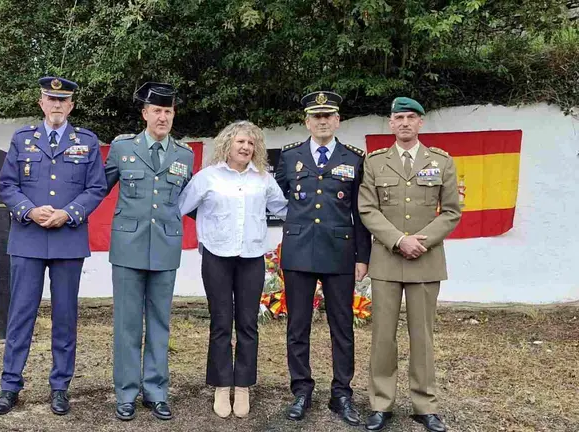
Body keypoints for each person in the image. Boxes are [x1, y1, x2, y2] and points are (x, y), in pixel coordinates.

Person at [0, 77, 107, 416]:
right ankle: (10, 386)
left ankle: (60, 387)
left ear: (71, 106)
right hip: (27, 238)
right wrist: (28, 209)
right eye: (50, 99)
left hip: (67, 240)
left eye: (62, 100)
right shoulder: (23, 139)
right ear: (41, 103)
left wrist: (69, 213)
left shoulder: (85, 141)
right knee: (20, 316)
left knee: (65, 318)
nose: (56, 105)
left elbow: (96, 188)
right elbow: (7, 185)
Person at [358, 97, 461, 432]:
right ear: (390, 123)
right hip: (387, 259)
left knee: (423, 336)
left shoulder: (441, 161)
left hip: (426, 260)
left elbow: (451, 211)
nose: (404, 123)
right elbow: (367, 209)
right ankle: (380, 403)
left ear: (420, 123)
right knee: (383, 336)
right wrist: (400, 240)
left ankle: (425, 405)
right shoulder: (375, 162)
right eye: (398, 117)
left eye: (410, 117)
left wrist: (421, 241)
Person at [178, 121, 287, 418]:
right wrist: (208, 227)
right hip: (216, 256)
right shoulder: (207, 177)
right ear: (227, 144)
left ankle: (243, 386)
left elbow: (284, 208)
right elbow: (183, 205)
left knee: (248, 324)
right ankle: (221, 385)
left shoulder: (263, 179)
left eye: (251, 144)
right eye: (240, 142)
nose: (245, 147)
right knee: (222, 323)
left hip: (251, 257)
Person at [274, 91, 371, 424]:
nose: (322, 121)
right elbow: (277, 201)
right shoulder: (289, 157)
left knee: (342, 327)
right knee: (297, 327)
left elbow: (361, 212)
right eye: (316, 116)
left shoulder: (355, 158)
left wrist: (363, 256)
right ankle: (301, 390)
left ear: (338, 120)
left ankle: (341, 393)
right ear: (307, 121)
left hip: (340, 254)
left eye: (328, 116)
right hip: (299, 252)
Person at [104, 82, 194, 421]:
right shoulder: (121, 149)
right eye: (157, 110)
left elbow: (193, 200)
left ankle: (156, 391)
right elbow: (98, 187)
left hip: (166, 248)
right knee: (127, 324)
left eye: (168, 111)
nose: (163, 117)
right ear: (144, 113)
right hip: (127, 248)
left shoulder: (184, 155)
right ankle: (126, 392)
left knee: (160, 323)